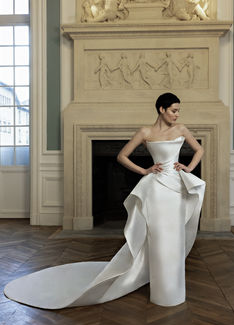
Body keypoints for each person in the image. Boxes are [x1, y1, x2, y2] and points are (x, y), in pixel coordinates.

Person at [4, 93, 205, 309]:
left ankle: (173, 291)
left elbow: (199, 149)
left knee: (173, 237)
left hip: (175, 188)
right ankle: (160, 291)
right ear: (161, 109)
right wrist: (144, 170)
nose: (177, 114)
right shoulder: (145, 132)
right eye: (174, 110)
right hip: (156, 190)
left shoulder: (181, 129)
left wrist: (189, 167)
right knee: (157, 237)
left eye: (178, 111)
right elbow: (122, 156)